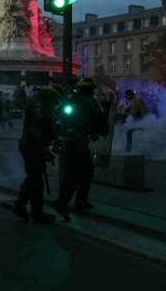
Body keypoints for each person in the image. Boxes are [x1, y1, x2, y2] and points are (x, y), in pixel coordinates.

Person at [52, 77, 105, 221]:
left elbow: (60, 118)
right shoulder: (89, 100)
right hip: (78, 143)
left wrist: (58, 140)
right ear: (88, 89)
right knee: (74, 173)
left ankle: (80, 200)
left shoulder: (69, 100)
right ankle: (62, 203)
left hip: (69, 141)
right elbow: (99, 119)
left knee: (85, 170)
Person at [13, 84, 64, 224]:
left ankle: (31, 209)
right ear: (53, 96)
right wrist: (45, 152)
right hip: (32, 147)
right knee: (35, 179)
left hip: (31, 145)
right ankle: (24, 206)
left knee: (35, 179)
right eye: (58, 99)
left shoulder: (40, 101)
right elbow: (38, 132)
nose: (57, 102)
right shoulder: (41, 105)